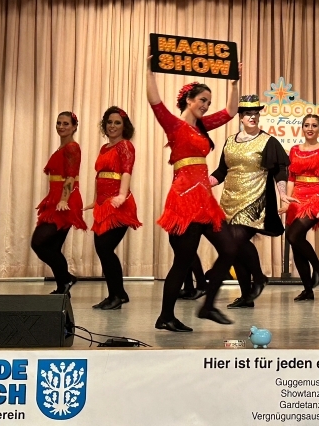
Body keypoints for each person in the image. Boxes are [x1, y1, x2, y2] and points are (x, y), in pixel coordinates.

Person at [147, 57, 241, 333]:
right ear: (188, 100)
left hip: (204, 201)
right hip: (184, 201)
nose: (206, 105)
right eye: (202, 100)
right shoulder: (174, 126)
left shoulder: (202, 126)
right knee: (183, 262)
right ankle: (166, 316)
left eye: (208, 102)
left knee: (230, 248)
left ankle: (208, 305)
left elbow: (230, 111)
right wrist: (149, 71)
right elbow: (155, 102)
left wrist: (234, 85)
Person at [210, 95, 290, 308]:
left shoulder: (268, 141)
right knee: (232, 247)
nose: (252, 117)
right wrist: (202, 183)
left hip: (255, 198)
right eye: (248, 114)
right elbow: (221, 172)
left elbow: (280, 170)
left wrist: (282, 193)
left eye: (256, 113)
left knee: (236, 239)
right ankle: (246, 296)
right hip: (229, 200)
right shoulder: (230, 141)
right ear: (241, 117)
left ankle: (259, 277)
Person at [84, 107, 141, 310]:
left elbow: (126, 172)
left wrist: (122, 195)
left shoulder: (125, 146)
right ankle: (120, 294)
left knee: (105, 248)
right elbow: (99, 176)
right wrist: (95, 201)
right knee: (102, 248)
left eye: (117, 122)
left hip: (119, 205)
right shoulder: (104, 148)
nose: (112, 126)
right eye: (109, 122)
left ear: (124, 126)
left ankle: (115, 296)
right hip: (103, 205)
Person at [30, 112, 86, 295]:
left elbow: (70, 176)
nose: (61, 126)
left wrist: (63, 199)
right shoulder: (63, 148)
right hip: (56, 198)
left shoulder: (72, 147)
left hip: (65, 200)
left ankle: (66, 279)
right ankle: (64, 285)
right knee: (52, 247)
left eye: (66, 124)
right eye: (59, 123)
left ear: (74, 127)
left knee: (39, 243)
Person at [284, 114, 319, 302]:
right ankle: (307, 290)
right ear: (302, 128)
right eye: (307, 125)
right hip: (296, 198)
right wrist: (287, 202)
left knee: (293, 236)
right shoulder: (294, 150)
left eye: (314, 125)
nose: (310, 128)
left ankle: (318, 267)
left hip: (315, 198)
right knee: (296, 244)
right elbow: (291, 178)